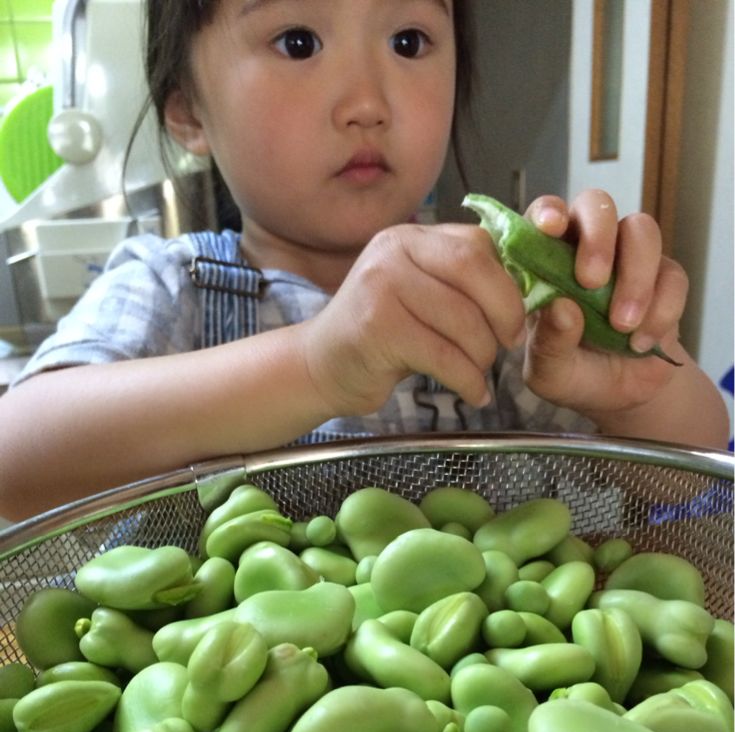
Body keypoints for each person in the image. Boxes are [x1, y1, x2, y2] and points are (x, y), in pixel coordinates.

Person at [0, 0, 728, 521]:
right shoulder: (172, 287)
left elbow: (690, 468)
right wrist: (315, 364)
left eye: (409, 41)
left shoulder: (503, 292)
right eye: (297, 42)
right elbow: (16, 462)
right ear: (189, 109)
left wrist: (635, 383)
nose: (366, 103)